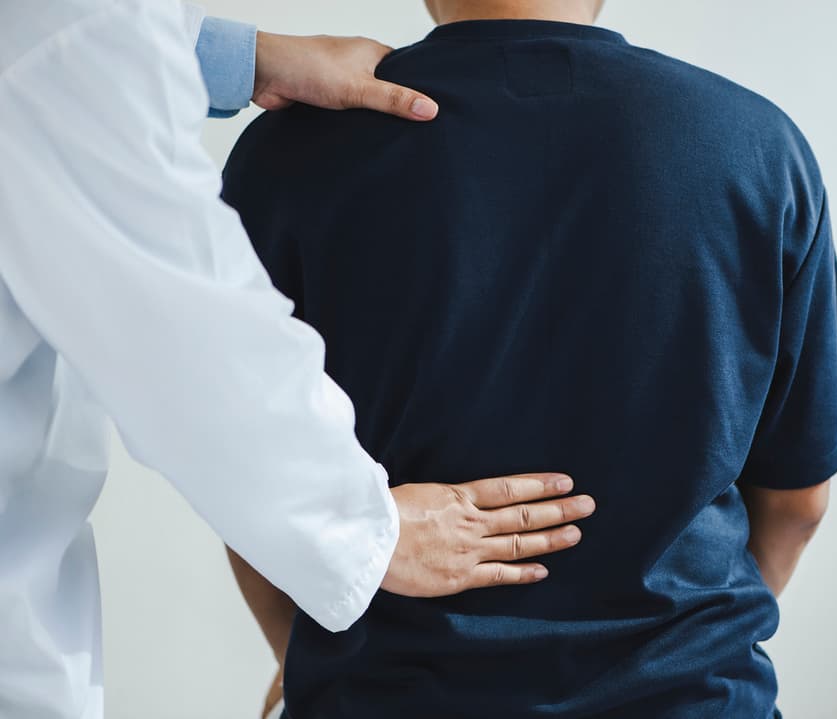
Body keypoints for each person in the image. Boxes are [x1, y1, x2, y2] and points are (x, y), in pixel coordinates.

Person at [222, 0, 837, 717]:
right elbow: (799, 499)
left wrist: (303, 659)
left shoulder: (286, 153)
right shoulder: (758, 148)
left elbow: (242, 485)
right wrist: (689, 651)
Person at [0, 2, 596, 719]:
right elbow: (180, 327)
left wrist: (235, 58)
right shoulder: (755, 146)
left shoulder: (292, 153)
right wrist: (369, 531)